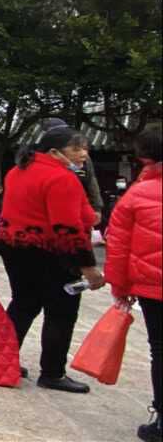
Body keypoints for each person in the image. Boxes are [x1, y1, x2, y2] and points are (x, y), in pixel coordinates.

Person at [0, 125, 103, 393]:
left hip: (15, 247)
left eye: (84, 148)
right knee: (61, 313)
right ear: (54, 152)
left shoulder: (17, 171)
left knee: (23, 304)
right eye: (76, 149)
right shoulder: (61, 179)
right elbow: (67, 228)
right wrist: (88, 267)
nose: (83, 154)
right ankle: (53, 372)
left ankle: (3, 359)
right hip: (50, 252)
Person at [104, 124, 162, 442]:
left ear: (143, 158)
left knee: (161, 350)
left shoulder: (136, 195)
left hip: (153, 286)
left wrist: (120, 287)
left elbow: (119, 245)